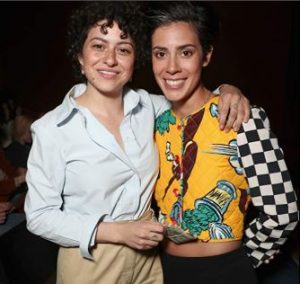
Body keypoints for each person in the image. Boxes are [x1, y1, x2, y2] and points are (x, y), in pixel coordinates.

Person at [24, 2, 250, 284]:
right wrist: (117, 231)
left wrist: (228, 90)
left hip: (150, 261)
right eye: (98, 46)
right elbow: (38, 216)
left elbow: (193, 97)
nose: (110, 59)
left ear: (134, 62)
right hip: (91, 260)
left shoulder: (150, 107)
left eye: (123, 49)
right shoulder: (51, 129)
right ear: (79, 56)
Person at [149, 2, 299, 284]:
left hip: (226, 269)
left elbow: (283, 212)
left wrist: (242, 261)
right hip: (165, 270)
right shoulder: (155, 124)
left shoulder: (242, 117)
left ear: (206, 56)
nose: (171, 67)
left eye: (186, 52)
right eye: (160, 54)